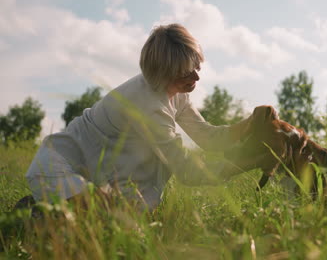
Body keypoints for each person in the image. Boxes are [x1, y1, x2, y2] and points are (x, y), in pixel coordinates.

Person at [23, 23, 277, 211]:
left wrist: (251, 123)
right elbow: (187, 171)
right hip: (57, 170)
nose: (197, 78)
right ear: (165, 72)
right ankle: (34, 214)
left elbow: (209, 137)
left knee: (124, 215)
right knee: (106, 215)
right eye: (188, 73)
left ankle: (46, 211)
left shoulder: (175, 92)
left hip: (96, 176)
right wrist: (250, 161)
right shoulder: (148, 106)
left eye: (197, 68)